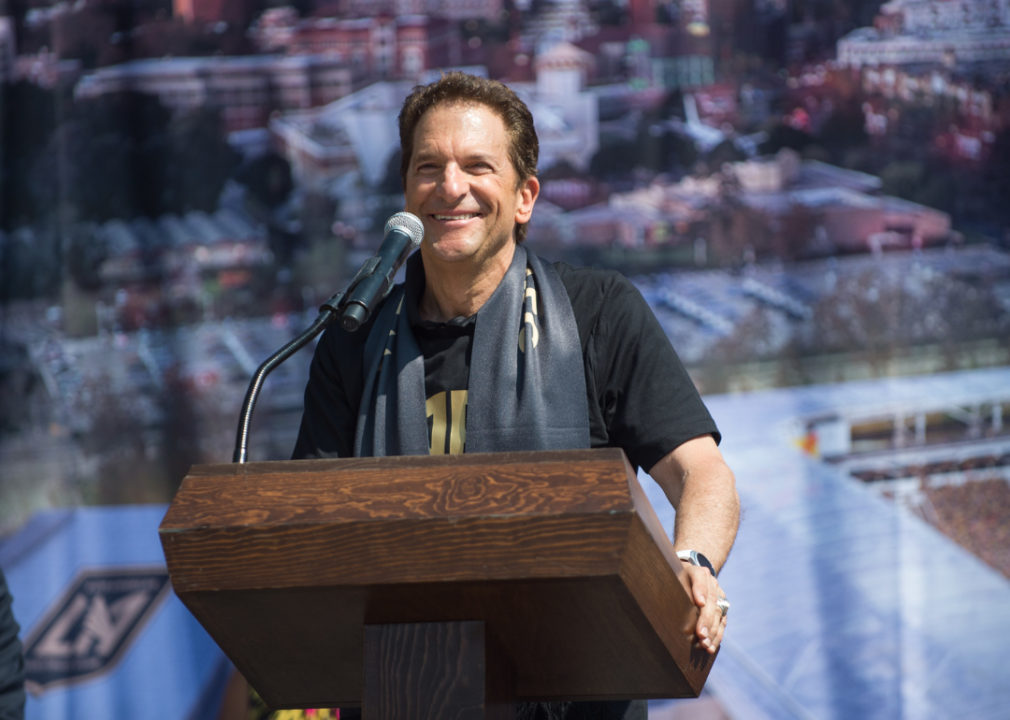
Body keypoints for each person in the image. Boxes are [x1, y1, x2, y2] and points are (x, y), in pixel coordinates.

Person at [293, 72, 739, 720]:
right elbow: (312, 528)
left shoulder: (599, 313)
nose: (451, 187)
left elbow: (701, 471)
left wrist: (693, 561)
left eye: (478, 166)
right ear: (406, 193)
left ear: (525, 196)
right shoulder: (351, 343)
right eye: (429, 167)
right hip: (401, 695)